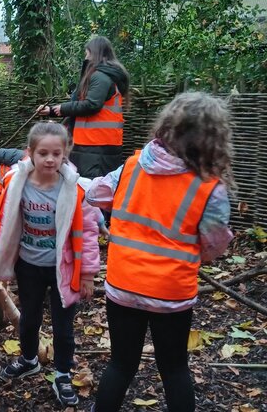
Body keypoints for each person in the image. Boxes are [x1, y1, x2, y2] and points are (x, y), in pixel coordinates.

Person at [88, 92, 234, 412]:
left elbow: (96, 193)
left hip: (123, 285)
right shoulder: (209, 187)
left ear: (167, 126)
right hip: (171, 293)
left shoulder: (130, 167)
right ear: (212, 138)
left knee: (121, 364)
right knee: (174, 369)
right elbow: (214, 243)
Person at [0, 122, 100, 407]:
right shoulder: (16, 184)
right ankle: (29, 359)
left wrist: (87, 274)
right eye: (43, 153)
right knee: (29, 318)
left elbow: (90, 232)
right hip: (28, 266)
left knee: (63, 326)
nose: (50, 159)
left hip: (64, 268)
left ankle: (62, 374)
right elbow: (6, 225)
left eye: (56, 153)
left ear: (65, 154)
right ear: (30, 153)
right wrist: (1, 263)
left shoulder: (75, 190)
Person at [38, 36, 129, 179]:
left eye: (87, 53)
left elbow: (91, 105)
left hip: (95, 145)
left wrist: (62, 108)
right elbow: (81, 105)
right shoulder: (106, 76)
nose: (85, 57)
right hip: (97, 144)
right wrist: (51, 110)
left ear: (94, 53)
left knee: (91, 190)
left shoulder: (100, 77)